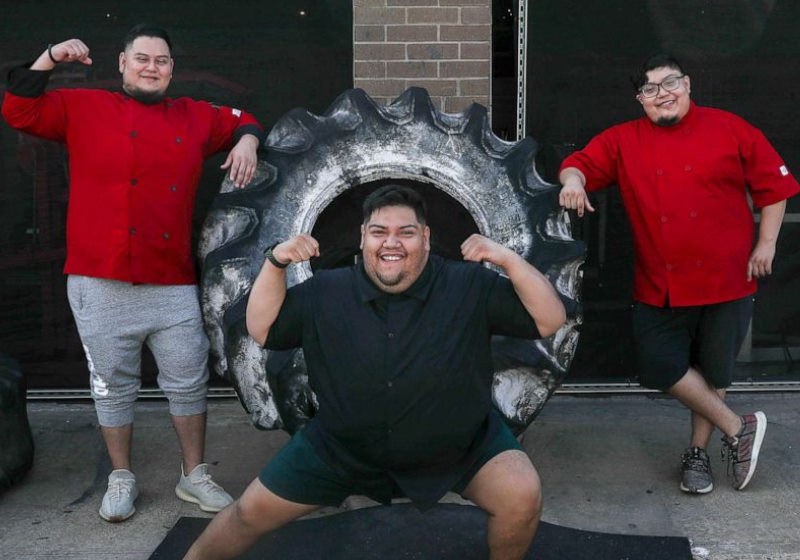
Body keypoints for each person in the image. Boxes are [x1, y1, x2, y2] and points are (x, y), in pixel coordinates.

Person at [183, 185, 567, 560]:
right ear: (363, 238)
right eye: (379, 232)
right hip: (340, 450)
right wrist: (276, 263)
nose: (392, 242)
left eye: (406, 232)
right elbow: (263, 329)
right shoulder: (326, 290)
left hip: (459, 448)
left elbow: (550, 319)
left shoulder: (469, 284)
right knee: (246, 515)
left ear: (427, 238)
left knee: (521, 494)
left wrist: (509, 260)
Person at [1, 24, 264, 521]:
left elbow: (244, 119)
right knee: (112, 384)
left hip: (171, 283)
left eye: (161, 60)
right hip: (98, 281)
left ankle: (194, 475)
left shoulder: (194, 116)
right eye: (141, 58)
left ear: (171, 69)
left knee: (188, 381)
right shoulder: (82, 107)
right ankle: (121, 477)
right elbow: (18, 108)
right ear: (121, 64)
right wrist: (50, 56)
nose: (151, 66)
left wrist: (247, 140)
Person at [558, 54, 800, 494]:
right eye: (650, 89)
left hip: (728, 276)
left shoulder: (730, 128)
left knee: (715, 373)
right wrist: (573, 181)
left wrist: (767, 243)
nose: (662, 93)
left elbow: (775, 185)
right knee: (657, 365)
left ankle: (697, 455)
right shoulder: (622, 140)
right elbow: (579, 163)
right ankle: (738, 426)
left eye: (669, 82)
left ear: (687, 85)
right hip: (659, 282)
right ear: (640, 100)